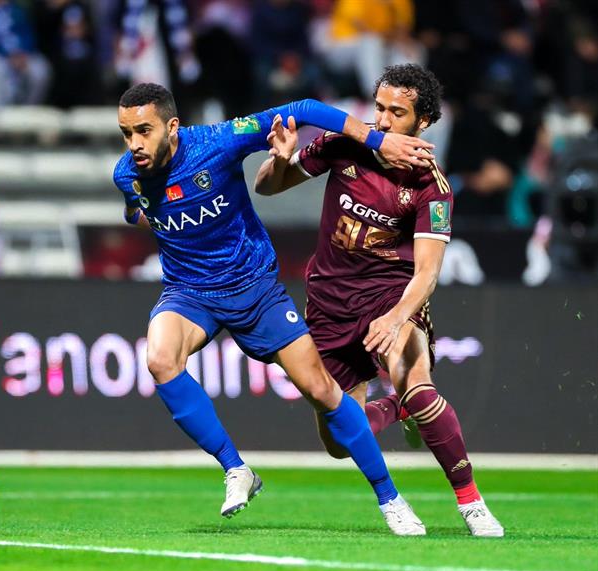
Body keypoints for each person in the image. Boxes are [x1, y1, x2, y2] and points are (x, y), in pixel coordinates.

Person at [113, 83, 434, 533]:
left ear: (172, 127)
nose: (134, 144)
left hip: (255, 290)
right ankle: (236, 469)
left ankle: (391, 498)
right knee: (160, 359)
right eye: (126, 133)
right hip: (189, 292)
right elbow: (136, 208)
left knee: (323, 391)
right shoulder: (126, 173)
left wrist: (376, 139)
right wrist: (144, 215)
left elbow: (304, 108)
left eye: (143, 131)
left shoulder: (219, 141)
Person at [254, 64, 505, 537]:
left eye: (398, 112)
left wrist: (394, 318)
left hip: (391, 296)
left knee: (416, 383)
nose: (384, 121)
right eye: (380, 108)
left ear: (424, 121)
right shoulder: (346, 143)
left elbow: (427, 273)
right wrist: (281, 160)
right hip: (328, 303)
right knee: (338, 442)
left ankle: (471, 503)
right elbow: (266, 186)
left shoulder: (431, 187)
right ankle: (396, 409)